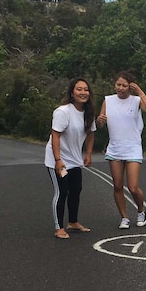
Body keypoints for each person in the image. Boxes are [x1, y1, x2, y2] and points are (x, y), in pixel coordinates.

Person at [97, 70, 146, 229]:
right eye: (118, 84)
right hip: (115, 148)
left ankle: (141, 210)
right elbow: (100, 123)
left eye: (124, 85)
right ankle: (124, 217)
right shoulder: (108, 100)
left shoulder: (136, 100)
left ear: (130, 86)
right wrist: (99, 121)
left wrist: (140, 92)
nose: (121, 88)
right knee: (117, 185)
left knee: (133, 187)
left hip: (132, 148)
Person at [44, 78, 96, 239]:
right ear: (72, 93)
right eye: (79, 89)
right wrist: (58, 160)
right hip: (58, 160)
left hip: (75, 160)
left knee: (76, 190)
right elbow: (55, 135)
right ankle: (58, 227)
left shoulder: (88, 112)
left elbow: (91, 133)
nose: (83, 92)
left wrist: (88, 154)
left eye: (86, 89)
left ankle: (73, 222)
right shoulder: (63, 111)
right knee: (62, 192)